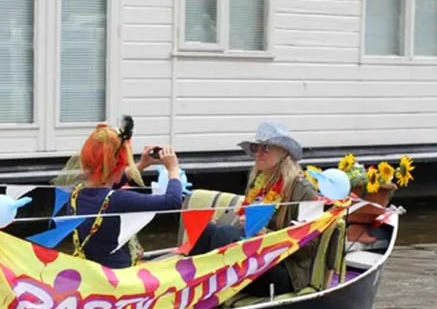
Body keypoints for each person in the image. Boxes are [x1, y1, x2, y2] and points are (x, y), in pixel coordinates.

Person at [189, 121, 318, 297]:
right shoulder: (258, 183)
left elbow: (310, 247)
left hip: (285, 269)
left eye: (266, 148)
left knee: (224, 235)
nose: (258, 153)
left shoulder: (305, 190)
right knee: (207, 230)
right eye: (255, 148)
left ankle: (206, 295)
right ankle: (192, 291)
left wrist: (267, 235)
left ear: (284, 152)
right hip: (254, 257)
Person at [67, 119, 184, 269]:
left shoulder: (76, 194)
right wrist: (173, 169)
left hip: (92, 272)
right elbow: (172, 202)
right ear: (117, 166)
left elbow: (108, 182)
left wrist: (142, 164)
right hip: (120, 277)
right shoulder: (118, 200)